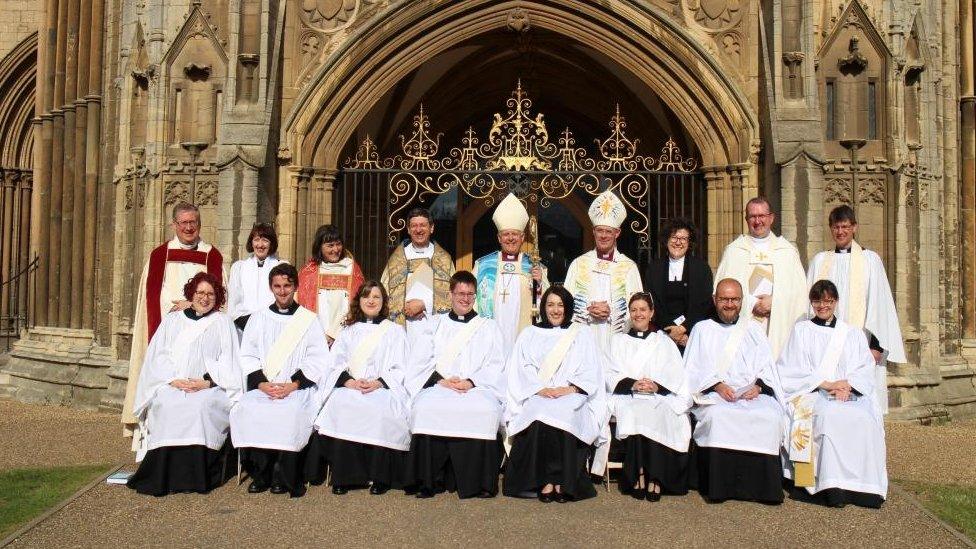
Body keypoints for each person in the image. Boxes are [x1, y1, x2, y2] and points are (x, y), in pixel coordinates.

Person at [126, 272, 241, 496]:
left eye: (210, 294)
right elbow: (157, 356)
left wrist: (208, 382)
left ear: (217, 297)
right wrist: (172, 380)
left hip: (210, 387)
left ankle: (196, 477)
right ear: (192, 294)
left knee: (199, 407)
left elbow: (231, 361)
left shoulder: (222, 322)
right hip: (173, 383)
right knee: (167, 405)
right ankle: (162, 475)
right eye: (200, 293)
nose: (205, 298)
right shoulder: (173, 320)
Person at [778, 280, 887, 508]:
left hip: (849, 393)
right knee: (828, 416)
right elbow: (790, 369)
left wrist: (847, 385)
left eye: (827, 301)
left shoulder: (852, 333)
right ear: (812, 302)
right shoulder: (801, 331)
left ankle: (865, 488)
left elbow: (864, 368)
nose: (822, 306)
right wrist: (827, 384)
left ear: (836, 301)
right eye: (817, 301)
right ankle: (830, 485)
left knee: (865, 419)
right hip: (813, 394)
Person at [122, 202, 224, 446]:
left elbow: (220, 296)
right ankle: (155, 441)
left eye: (193, 223)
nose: (189, 228)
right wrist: (179, 305)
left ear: (199, 224)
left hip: (202, 336)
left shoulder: (212, 256)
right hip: (167, 333)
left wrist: (192, 303)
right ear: (174, 225)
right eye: (184, 223)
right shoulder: (159, 256)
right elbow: (152, 297)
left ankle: (199, 440)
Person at [230, 263, 330, 497]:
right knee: (249, 407)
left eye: (287, 286)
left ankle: (282, 474)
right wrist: (263, 384)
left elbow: (318, 358)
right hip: (265, 386)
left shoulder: (308, 319)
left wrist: (293, 385)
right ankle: (261, 473)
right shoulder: (258, 318)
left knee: (291, 411)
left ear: (295, 286)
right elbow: (248, 354)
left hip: (296, 388)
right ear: (270, 288)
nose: (283, 291)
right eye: (277, 286)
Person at [404, 271, 506, 499]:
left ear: (476, 296)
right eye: (461, 293)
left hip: (476, 388)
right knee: (425, 408)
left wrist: (471, 382)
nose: (465, 298)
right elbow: (419, 361)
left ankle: (479, 484)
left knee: (486, 410)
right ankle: (428, 482)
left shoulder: (488, 327)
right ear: (450, 294)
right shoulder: (434, 324)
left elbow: (496, 365)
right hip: (440, 385)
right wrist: (440, 380)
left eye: (470, 294)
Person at [683, 278, 786, 504]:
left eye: (734, 299)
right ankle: (720, 488)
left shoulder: (753, 330)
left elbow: (767, 367)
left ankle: (764, 490)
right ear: (714, 300)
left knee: (769, 416)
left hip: (751, 393)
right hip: (714, 394)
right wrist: (717, 385)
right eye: (724, 299)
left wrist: (759, 386)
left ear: (742, 301)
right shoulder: (701, 329)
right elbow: (691, 370)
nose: (729, 304)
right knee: (718, 416)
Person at [503, 286, 606, 503]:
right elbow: (521, 368)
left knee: (567, 411)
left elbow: (591, 369)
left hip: (571, 392)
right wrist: (539, 389)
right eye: (550, 304)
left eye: (560, 305)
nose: (555, 310)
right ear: (543, 307)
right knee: (539, 409)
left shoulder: (581, 333)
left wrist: (569, 389)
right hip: (539, 392)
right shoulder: (530, 333)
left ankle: (564, 482)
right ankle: (545, 481)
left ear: (567, 307)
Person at [310, 281, 410, 495]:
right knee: (343, 403)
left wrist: (378, 382)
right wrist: (350, 382)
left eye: (376, 297)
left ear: (383, 302)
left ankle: (380, 476)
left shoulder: (395, 331)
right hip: (352, 386)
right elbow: (334, 364)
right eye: (366, 296)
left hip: (382, 387)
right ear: (359, 301)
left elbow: (401, 366)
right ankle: (344, 477)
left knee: (382, 409)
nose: (371, 300)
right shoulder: (348, 331)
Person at [806, 205, 906, 413]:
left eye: (844, 226)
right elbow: (810, 305)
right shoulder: (820, 261)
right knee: (828, 405)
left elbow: (881, 304)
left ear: (854, 227)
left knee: (861, 407)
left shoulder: (870, 260)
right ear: (830, 229)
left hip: (860, 347)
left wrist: (876, 348)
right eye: (835, 227)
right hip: (825, 346)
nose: (840, 232)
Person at [604, 292, 691, 501]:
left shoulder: (663, 342)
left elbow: (676, 374)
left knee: (660, 410)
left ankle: (656, 477)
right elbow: (609, 372)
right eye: (634, 310)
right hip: (628, 395)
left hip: (657, 395)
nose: (638, 314)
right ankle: (639, 473)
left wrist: (656, 385)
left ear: (652, 313)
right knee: (636, 410)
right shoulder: (617, 341)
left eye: (643, 309)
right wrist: (632, 383)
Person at [714, 196, 807, 360]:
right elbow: (720, 293)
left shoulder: (786, 251)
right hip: (745, 323)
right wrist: (752, 303)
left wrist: (775, 301)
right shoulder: (734, 251)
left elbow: (800, 294)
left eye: (762, 216)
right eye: (752, 216)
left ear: (771, 218)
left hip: (778, 327)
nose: (758, 221)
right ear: (746, 219)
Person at [564, 191, 643, 351]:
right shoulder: (578, 264)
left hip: (616, 340)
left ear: (617, 233)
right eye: (600, 230)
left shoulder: (628, 267)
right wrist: (588, 310)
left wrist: (612, 313)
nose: (604, 236)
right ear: (593, 231)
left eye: (609, 231)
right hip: (583, 339)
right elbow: (565, 303)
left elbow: (639, 309)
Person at [473, 193, 548, 349]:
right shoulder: (484, 265)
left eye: (515, 234)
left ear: (522, 237)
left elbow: (548, 301)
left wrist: (540, 283)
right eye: (506, 234)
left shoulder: (534, 266)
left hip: (523, 334)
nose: (511, 238)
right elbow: (472, 299)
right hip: (490, 334)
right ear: (499, 238)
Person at [380, 207, 456, 338]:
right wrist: (403, 307)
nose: (418, 230)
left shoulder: (444, 259)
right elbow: (383, 293)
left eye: (423, 225)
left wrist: (425, 305)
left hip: (434, 327)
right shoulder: (396, 260)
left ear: (431, 228)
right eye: (414, 226)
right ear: (408, 230)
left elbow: (453, 294)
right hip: (403, 328)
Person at [644, 218, 714, 353]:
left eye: (683, 239)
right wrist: (671, 330)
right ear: (666, 240)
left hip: (691, 336)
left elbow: (705, 303)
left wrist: (683, 329)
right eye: (674, 237)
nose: (678, 242)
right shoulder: (654, 268)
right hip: (663, 334)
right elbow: (651, 302)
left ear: (690, 242)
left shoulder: (702, 268)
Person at [297, 224, 365, 344]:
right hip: (315, 336)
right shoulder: (309, 271)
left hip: (344, 335)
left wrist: (334, 334)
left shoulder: (351, 268)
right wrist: (320, 335)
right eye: (330, 246)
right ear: (320, 247)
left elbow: (358, 303)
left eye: (338, 244)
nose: (335, 249)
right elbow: (301, 306)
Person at [227, 223, 286, 332]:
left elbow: (285, 298)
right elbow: (234, 303)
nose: (260, 245)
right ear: (251, 242)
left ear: (271, 243)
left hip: (273, 327)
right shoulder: (239, 268)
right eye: (256, 239)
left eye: (265, 240)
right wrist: (249, 325)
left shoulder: (281, 266)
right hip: (244, 327)